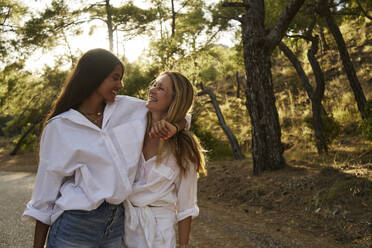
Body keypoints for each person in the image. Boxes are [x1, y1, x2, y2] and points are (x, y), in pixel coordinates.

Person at [22, 49, 184, 248]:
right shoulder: (60, 126)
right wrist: (38, 245)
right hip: (76, 225)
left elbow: (178, 110)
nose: (120, 85)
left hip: (116, 227)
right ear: (94, 76)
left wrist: (176, 127)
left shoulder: (130, 109)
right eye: (115, 78)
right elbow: (45, 193)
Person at [124, 72, 207, 248]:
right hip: (122, 227)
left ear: (175, 100)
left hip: (158, 235)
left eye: (160, 88)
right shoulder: (134, 124)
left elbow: (186, 204)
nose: (151, 90)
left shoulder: (183, 147)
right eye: (154, 84)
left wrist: (183, 246)